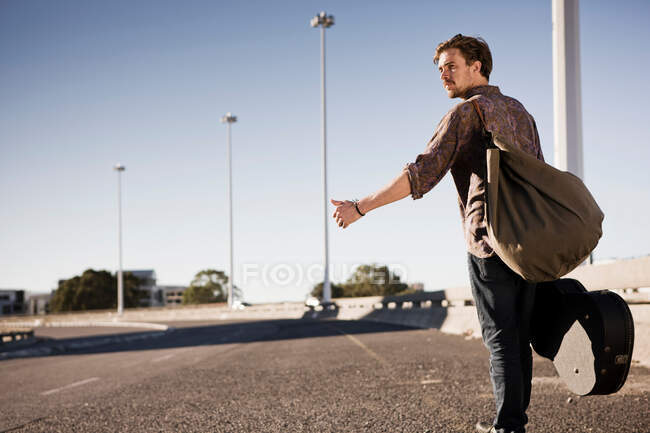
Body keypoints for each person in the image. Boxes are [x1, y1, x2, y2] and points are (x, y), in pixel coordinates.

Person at [331, 34, 543, 433]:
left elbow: (420, 174)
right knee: (517, 337)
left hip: (490, 238)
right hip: (530, 240)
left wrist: (360, 207)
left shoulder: (467, 113)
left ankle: (508, 426)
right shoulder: (519, 111)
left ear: (477, 66)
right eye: (439, 69)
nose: (443, 75)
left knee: (499, 337)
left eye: (451, 65)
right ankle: (515, 422)